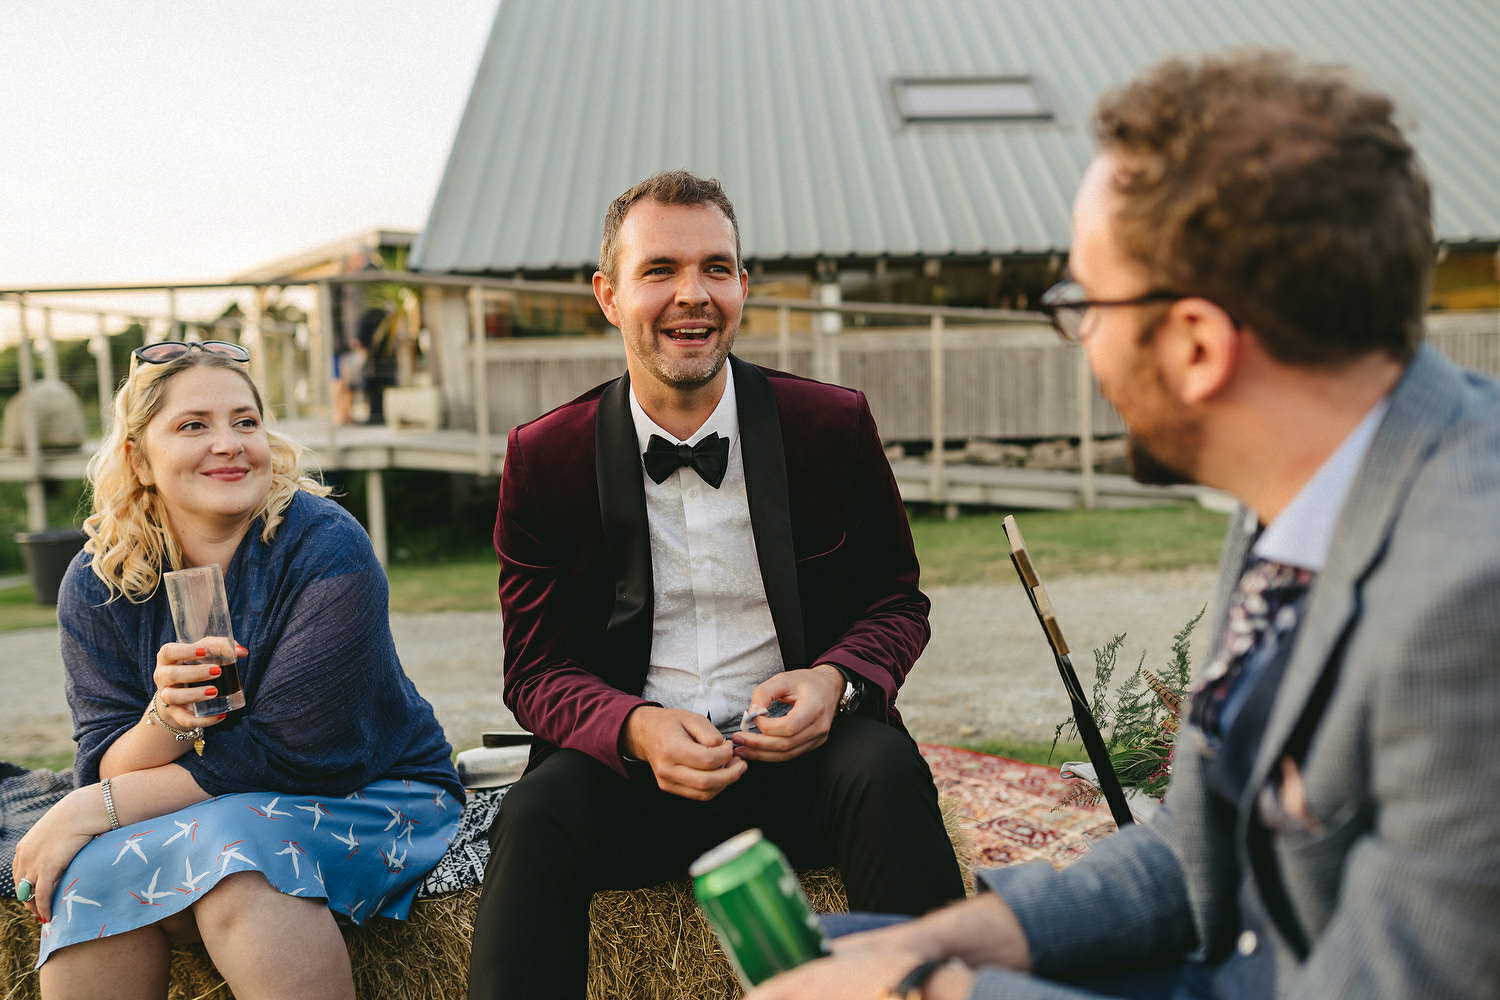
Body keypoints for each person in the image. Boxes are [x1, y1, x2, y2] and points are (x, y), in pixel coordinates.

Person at [747, 49, 1500, 1000]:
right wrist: (967, 939)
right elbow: (1202, 840)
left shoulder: (1471, 596)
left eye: (1084, 303)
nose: (1080, 341)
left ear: (1195, 344)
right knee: (841, 945)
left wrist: (930, 996)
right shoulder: (1302, 493)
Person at [466, 170, 966, 999]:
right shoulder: (543, 457)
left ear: (743, 286)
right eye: (659, 270)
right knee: (535, 813)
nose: (691, 295)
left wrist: (831, 680)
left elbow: (895, 603)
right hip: (631, 778)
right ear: (609, 295)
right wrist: (633, 726)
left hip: (808, 770)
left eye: (716, 269)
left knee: (886, 769)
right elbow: (536, 671)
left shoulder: (830, 425)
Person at [13, 340, 463, 999]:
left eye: (245, 421)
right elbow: (106, 757)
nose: (229, 443)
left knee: (237, 857)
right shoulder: (97, 580)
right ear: (138, 458)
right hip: (203, 809)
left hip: (372, 794)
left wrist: (92, 807)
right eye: (194, 425)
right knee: (93, 871)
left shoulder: (325, 545)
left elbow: (293, 756)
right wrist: (163, 721)